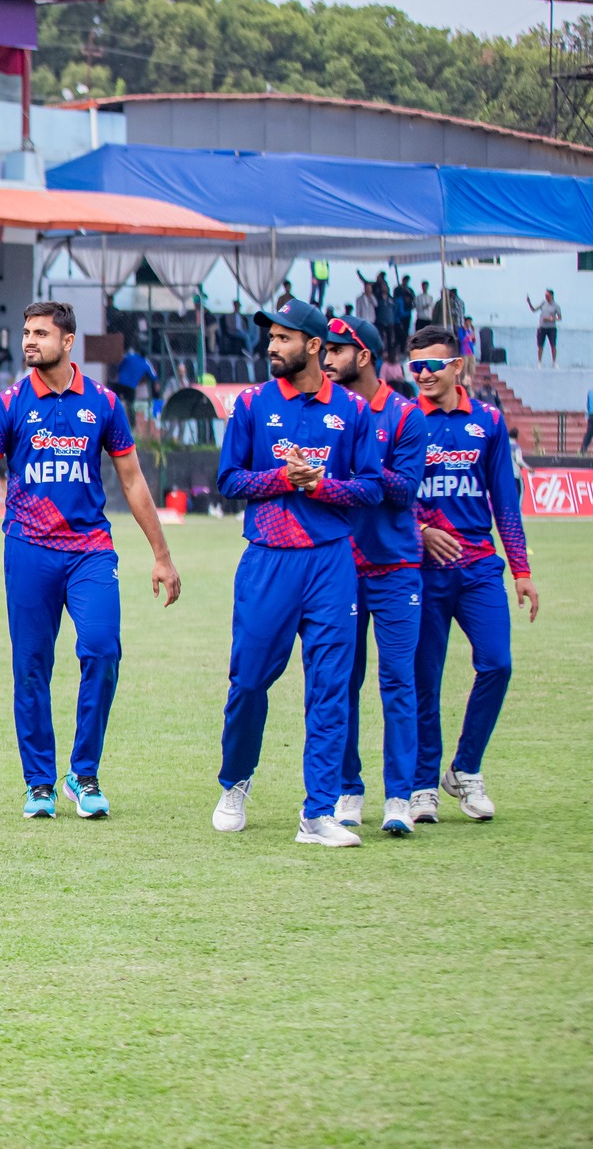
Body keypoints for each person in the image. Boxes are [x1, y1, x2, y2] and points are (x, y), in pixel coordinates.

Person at [0, 301, 180, 820]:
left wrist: (162, 556)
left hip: (90, 550)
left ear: (68, 342)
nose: (29, 340)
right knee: (31, 667)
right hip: (28, 549)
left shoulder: (104, 403)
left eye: (41, 333)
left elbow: (133, 482)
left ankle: (83, 774)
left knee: (102, 651)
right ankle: (39, 783)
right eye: (26, 332)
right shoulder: (7, 404)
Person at [211, 298, 382, 847]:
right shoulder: (251, 404)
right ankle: (235, 782)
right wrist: (282, 479)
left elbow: (373, 488)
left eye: (283, 338)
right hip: (268, 557)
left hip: (331, 560)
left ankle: (318, 812)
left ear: (313, 345)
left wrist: (322, 486)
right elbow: (229, 480)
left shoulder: (352, 411)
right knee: (249, 680)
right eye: (271, 338)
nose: (272, 346)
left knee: (331, 685)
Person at [407, 325, 538, 824]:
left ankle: (465, 768)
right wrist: (420, 531)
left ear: (457, 366)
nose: (422, 374)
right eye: (415, 366)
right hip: (421, 571)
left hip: (479, 566)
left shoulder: (488, 422)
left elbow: (505, 500)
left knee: (497, 663)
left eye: (432, 364)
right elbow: (387, 496)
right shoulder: (402, 420)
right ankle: (423, 785)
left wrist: (521, 569)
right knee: (425, 680)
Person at [321, 316, 424, 837]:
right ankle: (349, 790)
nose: (327, 359)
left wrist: (359, 467)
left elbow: (404, 491)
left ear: (363, 356)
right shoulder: (327, 412)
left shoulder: (404, 414)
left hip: (396, 568)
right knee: (343, 680)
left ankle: (399, 798)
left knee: (398, 681)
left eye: (337, 350)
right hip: (341, 565)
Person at [527, 289, 561, 367]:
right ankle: (539, 362)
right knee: (540, 345)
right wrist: (529, 302)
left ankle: (554, 362)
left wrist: (550, 319)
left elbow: (559, 318)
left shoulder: (556, 306)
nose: (546, 297)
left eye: (547, 295)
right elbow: (533, 310)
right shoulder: (543, 303)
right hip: (542, 327)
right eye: (545, 295)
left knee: (553, 345)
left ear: (551, 295)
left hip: (551, 328)